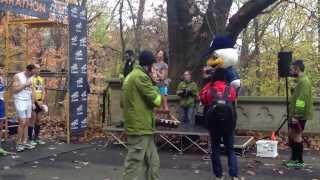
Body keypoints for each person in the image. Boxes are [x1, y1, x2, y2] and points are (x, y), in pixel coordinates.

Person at [122, 50, 161, 180]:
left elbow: (122, 103)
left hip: (143, 129)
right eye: (153, 66)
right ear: (147, 66)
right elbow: (157, 100)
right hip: (140, 129)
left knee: (153, 163)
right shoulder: (142, 77)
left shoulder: (130, 76)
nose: (155, 70)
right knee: (133, 166)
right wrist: (155, 84)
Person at [199, 68, 238, 180]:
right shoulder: (230, 89)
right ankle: (233, 175)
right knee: (230, 149)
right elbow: (234, 99)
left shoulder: (209, 89)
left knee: (215, 147)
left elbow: (202, 99)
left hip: (214, 125)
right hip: (228, 124)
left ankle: (219, 176)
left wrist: (207, 82)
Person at [283, 60, 313, 169]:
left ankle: (299, 161)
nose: (290, 71)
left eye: (292, 69)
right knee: (292, 134)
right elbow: (298, 96)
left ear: (297, 69)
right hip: (296, 114)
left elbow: (302, 99)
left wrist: (296, 115)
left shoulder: (304, 82)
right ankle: (294, 159)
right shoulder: (300, 81)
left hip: (299, 115)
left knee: (297, 136)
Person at [13, 64, 37, 152]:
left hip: (28, 101)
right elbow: (15, 90)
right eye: (32, 73)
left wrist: (33, 102)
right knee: (22, 122)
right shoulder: (18, 76)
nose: (32, 75)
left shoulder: (31, 77)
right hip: (20, 100)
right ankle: (18, 143)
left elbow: (32, 91)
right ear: (28, 70)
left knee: (27, 122)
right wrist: (25, 85)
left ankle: (25, 141)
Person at [28, 64, 46, 145]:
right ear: (33, 69)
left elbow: (43, 90)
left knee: (39, 120)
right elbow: (32, 92)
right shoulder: (30, 79)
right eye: (37, 69)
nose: (39, 70)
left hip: (40, 101)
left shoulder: (41, 79)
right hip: (33, 101)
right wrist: (37, 102)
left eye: (39, 69)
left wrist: (42, 100)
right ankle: (30, 139)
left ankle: (36, 137)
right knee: (33, 119)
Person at [0, 63, 9, 156]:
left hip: (1, 103)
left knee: (1, 124)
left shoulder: (2, 79)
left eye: (3, 68)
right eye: (1, 68)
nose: (2, 70)